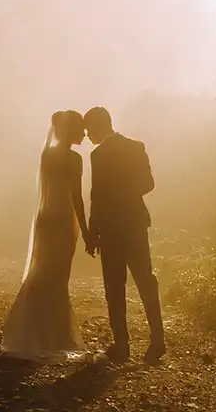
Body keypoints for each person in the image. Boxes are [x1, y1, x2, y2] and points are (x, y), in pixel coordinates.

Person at [0, 110, 91, 361]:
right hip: (62, 220)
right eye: (80, 129)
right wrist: (85, 229)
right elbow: (76, 197)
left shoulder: (47, 155)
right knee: (58, 277)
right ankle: (55, 335)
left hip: (45, 218)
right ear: (69, 130)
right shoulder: (74, 159)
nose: (84, 133)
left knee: (42, 274)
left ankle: (33, 333)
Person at [83, 106, 165, 364]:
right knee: (145, 280)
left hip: (110, 227)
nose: (87, 136)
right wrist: (127, 192)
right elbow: (149, 183)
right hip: (135, 223)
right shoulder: (135, 146)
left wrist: (92, 231)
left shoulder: (98, 155)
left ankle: (122, 346)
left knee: (114, 287)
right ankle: (157, 339)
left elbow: (96, 194)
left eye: (88, 130)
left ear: (98, 126)